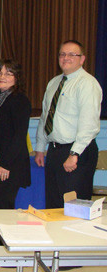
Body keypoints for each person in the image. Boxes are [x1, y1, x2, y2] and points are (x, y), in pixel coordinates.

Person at [35, 40, 102, 208]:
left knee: (74, 209)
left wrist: (75, 154)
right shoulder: (54, 83)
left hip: (77, 153)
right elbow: (45, 117)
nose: (66, 58)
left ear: (82, 59)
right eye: (62, 54)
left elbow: (89, 124)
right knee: (54, 206)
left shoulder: (87, 84)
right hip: (55, 151)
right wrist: (40, 148)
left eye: (72, 54)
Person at [0, 59, 31, 245]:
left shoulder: (19, 100)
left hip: (8, 165)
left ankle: (6, 251)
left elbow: (19, 136)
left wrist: (6, 164)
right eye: (0, 72)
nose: (2, 77)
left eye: (8, 73)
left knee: (4, 209)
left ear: (16, 77)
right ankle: (1, 249)